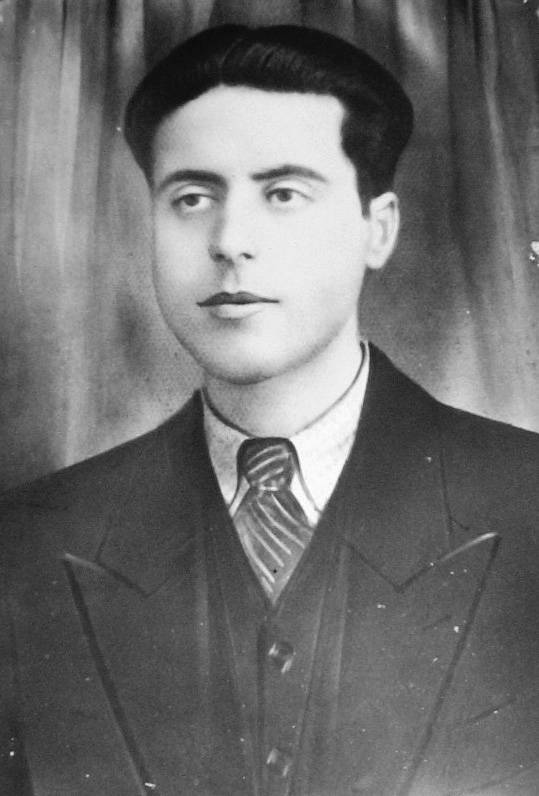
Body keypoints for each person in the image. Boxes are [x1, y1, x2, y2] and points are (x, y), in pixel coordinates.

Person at [1, 23, 539, 796]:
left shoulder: (525, 501)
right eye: (191, 198)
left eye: (283, 194)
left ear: (377, 229)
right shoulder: (27, 542)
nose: (230, 240)